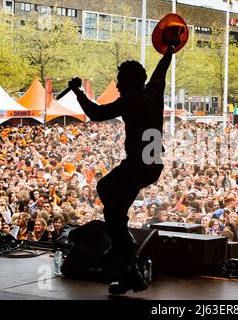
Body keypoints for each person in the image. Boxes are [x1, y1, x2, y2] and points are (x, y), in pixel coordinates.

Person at [68, 37, 180, 294]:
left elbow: (96, 114)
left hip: (138, 165)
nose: (117, 85)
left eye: (120, 79)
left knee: (106, 190)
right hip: (152, 163)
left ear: (128, 82)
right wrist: (170, 50)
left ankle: (122, 245)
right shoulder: (154, 91)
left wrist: (77, 91)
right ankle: (128, 268)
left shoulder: (129, 101)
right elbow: (161, 69)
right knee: (114, 208)